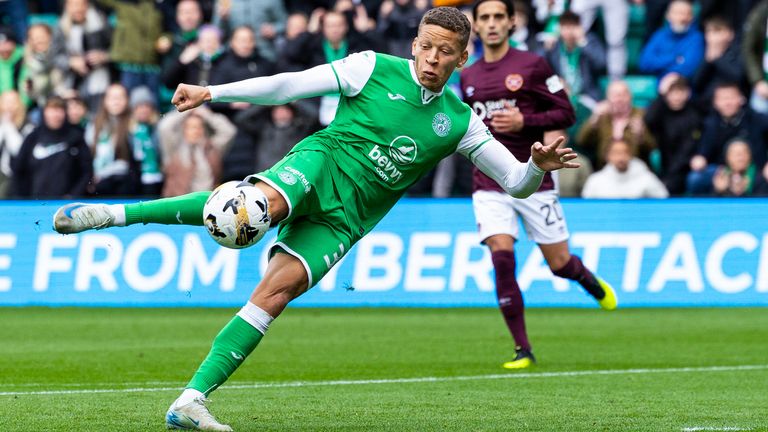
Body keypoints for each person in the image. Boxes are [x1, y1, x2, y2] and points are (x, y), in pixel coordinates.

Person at [52, 7, 579, 430]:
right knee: (254, 209)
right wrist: (213, 92)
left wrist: (535, 164)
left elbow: (515, 183)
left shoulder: (459, 123)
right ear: (414, 45)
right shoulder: (371, 67)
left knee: (274, 295)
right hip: (319, 163)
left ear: (461, 59)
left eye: (446, 53)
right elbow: (288, 85)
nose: (433, 59)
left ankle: (191, 400)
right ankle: (113, 214)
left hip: (346, 219)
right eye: (427, 48)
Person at [460, 0, 617, 370]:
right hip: (489, 182)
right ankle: (522, 350)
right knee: (502, 258)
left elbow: (567, 112)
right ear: (477, 26)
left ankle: (590, 282)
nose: (493, 23)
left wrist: (524, 121)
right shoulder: (469, 75)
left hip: (534, 180)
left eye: (500, 16)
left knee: (559, 264)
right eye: (485, 17)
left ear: (512, 22)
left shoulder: (532, 65)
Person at [12, 96, 92, 198]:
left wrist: (73, 195)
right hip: (34, 203)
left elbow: (86, 172)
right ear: (44, 112)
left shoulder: (76, 138)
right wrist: (23, 199)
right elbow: (19, 170)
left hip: (65, 205)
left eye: (59, 110)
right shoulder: (33, 138)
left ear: (65, 113)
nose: (55, 115)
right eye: (51, 110)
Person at [638, 0, 704, 80]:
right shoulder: (659, 35)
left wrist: (666, 73)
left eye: (684, 13)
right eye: (676, 13)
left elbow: (688, 68)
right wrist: (675, 58)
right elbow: (644, 63)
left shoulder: (697, 38)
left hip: (683, 85)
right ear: (668, 15)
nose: (680, 18)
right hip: (659, 83)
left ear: (691, 17)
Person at [581, 139, 670, 199]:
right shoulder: (595, 180)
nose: (621, 157)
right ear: (608, 156)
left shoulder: (646, 178)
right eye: (616, 153)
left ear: (630, 154)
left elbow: (663, 199)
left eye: (625, 152)